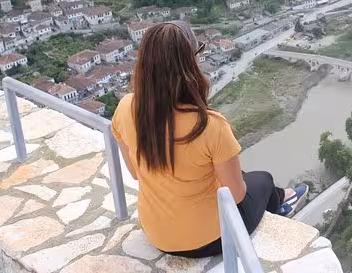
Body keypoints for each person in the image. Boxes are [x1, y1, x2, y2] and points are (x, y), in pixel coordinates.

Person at [111, 21, 308, 258]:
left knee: (234, 174)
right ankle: (282, 202)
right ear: (191, 62)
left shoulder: (125, 108)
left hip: (156, 233)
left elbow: (134, 172)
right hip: (209, 238)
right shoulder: (209, 125)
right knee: (263, 180)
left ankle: (284, 197)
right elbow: (236, 195)